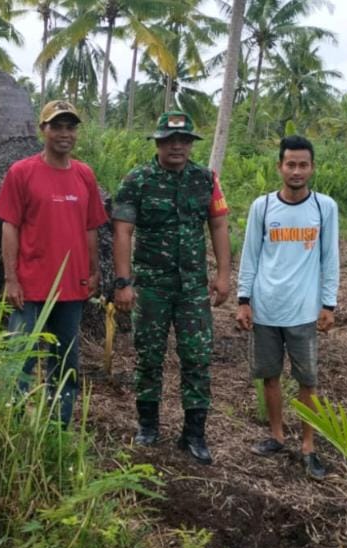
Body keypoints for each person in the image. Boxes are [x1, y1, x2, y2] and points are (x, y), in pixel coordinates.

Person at [112, 111, 231, 464]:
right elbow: (122, 231)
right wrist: (123, 282)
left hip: (193, 287)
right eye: (169, 140)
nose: (177, 146)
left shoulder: (206, 180)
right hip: (151, 287)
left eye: (183, 141)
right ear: (158, 143)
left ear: (191, 144)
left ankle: (194, 434)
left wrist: (223, 275)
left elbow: (219, 226)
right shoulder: (137, 180)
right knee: (149, 357)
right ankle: (148, 427)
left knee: (197, 358)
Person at [0, 99, 109, 428]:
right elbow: (10, 226)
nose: (64, 133)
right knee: (20, 362)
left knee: (65, 364)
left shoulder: (84, 175)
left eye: (70, 127)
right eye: (56, 126)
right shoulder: (21, 172)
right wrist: (11, 279)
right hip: (29, 288)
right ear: (42, 130)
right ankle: (10, 427)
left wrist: (93, 270)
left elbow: (90, 226)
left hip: (71, 289)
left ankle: (58, 430)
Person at [235, 135, 340, 480]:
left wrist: (329, 303)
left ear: (311, 168)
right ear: (280, 166)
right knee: (270, 376)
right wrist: (243, 300)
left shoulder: (325, 208)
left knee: (307, 380)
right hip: (266, 308)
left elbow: (330, 258)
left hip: (304, 310)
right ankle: (277, 435)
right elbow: (250, 256)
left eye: (303, 164)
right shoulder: (262, 207)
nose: (296, 171)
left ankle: (308, 445)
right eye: (290, 164)